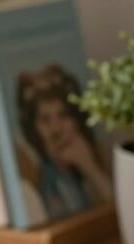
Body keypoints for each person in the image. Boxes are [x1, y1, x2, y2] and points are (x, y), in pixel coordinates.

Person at [16, 64, 112, 218]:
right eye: (45, 120)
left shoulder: (89, 160)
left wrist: (90, 167)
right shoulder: (36, 175)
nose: (55, 129)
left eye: (63, 115)